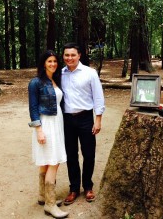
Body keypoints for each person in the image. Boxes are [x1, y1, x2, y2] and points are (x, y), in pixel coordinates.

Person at [61, 42, 105, 205]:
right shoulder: (61, 74)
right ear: (63, 56)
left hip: (86, 118)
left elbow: (98, 96)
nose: (69, 58)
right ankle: (74, 188)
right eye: (66, 55)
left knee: (89, 154)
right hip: (67, 120)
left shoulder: (90, 73)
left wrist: (98, 119)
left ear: (79, 55)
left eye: (73, 55)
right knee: (70, 155)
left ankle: (87, 186)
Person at [28, 50, 69, 218]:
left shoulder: (55, 80)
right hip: (46, 125)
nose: (53, 64)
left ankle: (43, 196)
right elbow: (33, 108)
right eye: (49, 61)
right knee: (54, 161)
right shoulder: (35, 82)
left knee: (47, 161)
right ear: (43, 63)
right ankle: (50, 205)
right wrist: (39, 130)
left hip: (57, 122)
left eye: (54, 61)